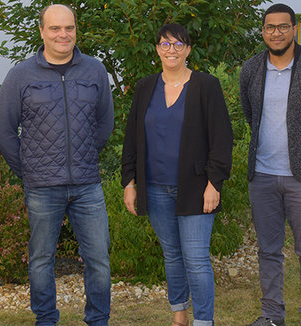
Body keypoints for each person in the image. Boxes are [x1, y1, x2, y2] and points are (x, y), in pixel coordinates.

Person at [0, 4, 114, 326]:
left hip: (87, 185)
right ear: (43, 32)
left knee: (99, 259)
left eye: (69, 28)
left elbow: (105, 124)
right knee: (41, 259)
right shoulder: (20, 75)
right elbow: (3, 131)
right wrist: (29, 170)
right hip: (42, 188)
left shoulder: (95, 70)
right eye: (55, 28)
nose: (63, 35)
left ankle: (98, 320)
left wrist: (86, 156)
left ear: (76, 30)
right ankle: (45, 320)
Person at [121, 23, 233, 326]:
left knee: (196, 260)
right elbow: (132, 138)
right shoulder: (145, 87)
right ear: (157, 49)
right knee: (172, 256)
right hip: (154, 187)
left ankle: (203, 321)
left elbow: (222, 139)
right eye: (165, 44)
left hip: (196, 187)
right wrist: (129, 182)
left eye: (178, 44)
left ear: (188, 50)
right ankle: (180, 314)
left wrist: (214, 183)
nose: (172, 50)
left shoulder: (205, 86)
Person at [239, 3, 301, 326]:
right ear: (263, 31)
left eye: (283, 27)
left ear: (294, 29)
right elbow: (250, 114)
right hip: (263, 176)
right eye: (270, 27)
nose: (276, 33)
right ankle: (271, 315)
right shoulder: (251, 69)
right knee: (268, 251)